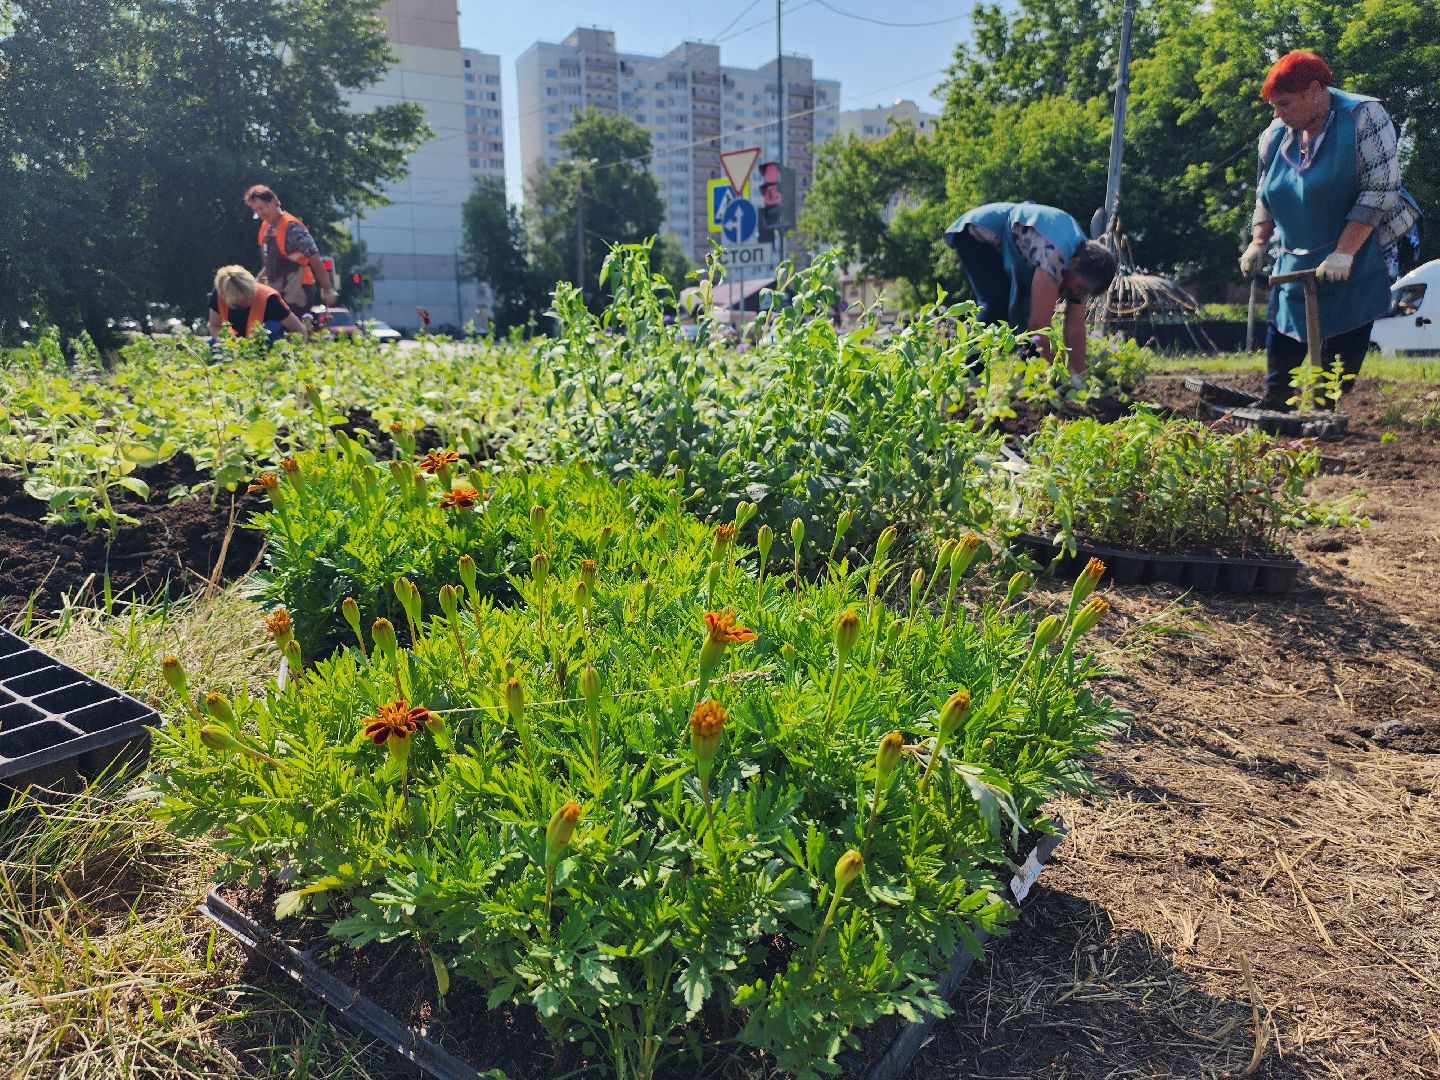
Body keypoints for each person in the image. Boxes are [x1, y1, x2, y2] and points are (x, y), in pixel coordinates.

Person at [1240, 51, 1419, 411]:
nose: (1278, 114)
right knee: (1287, 309)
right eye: (1274, 106)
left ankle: (1326, 402)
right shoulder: (1276, 134)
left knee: (1351, 307)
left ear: (1314, 90)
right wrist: (1259, 241)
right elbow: (1267, 192)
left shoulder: (1363, 116)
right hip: (1300, 244)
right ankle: (1278, 397)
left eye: (1285, 104)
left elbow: (1380, 189)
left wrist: (1344, 252)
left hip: (1365, 239)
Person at [944, 201, 1118, 375]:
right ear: (1074, 263)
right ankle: (968, 374)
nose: (1076, 293)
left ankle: (1029, 379)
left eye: (1083, 292)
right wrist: (1059, 375)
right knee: (997, 303)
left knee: (1026, 319)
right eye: (1078, 287)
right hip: (979, 232)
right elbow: (1038, 326)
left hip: (1011, 239)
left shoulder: (1085, 271)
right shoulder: (1053, 257)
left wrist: (1078, 378)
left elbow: (1075, 331)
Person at [243, 184, 338, 315]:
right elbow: (273, 260)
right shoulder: (266, 228)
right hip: (279, 290)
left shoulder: (292, 227)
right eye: (256, 210)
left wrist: (327, 289)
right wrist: (260, 278)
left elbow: (314, 257)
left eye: (262, 208)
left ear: (274, 202)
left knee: (283, 325)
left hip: (298, 291)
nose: (260, 213)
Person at [207, 265, 308, 343]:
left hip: (266, 345)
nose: (248, 301)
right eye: (242, 300)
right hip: (236, 345)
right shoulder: (218, 295)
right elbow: (214, 326)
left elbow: (300, 330)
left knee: (272, 328)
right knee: (210, 345)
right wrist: (228, 343)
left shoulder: (269, 299)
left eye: (250, 296)